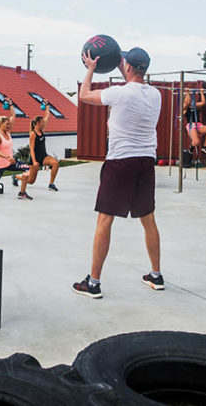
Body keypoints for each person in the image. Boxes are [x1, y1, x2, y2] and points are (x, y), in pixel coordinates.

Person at [72, 46, 164, 299]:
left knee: (105, 220)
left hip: (121, 162)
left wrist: (91, 68)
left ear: (129, 67)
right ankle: (156, 275)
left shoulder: (119, 93)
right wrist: (123, 64)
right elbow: (130, 89)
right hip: (146, 161)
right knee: (148, 219)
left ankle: (93, 283)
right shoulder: (155, 95)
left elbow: (84, 95)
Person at [12, 99, 60, 195]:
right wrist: (34, 162)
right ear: (37, 123)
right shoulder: (33, 134)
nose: (44, 123)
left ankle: (51, 184)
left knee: (55, 163)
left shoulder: (42, 130)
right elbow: (32, 149)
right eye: (42, 122)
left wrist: (47, 105)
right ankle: (16, 177)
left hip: (44, 157)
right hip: (35, 158)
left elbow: (47, 116)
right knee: (30, 181)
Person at [183, 87, 206, 157]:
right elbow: (187, 102)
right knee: (197, 142)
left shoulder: (195, 105)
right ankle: (191, 147)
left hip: (198, 124)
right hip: (191, 125)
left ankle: (205, 147)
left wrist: (202, 93)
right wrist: (187, 92)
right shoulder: (184, 108)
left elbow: (203, 103)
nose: (189, 101)